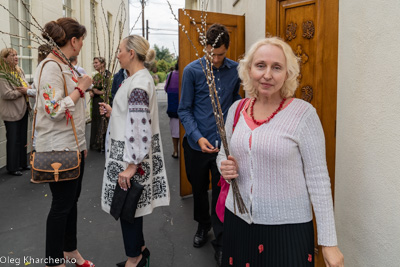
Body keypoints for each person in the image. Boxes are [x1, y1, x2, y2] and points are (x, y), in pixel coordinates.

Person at [217, 37, 344, 267]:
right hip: (238, 222)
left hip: (287, 229)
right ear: (249, 70)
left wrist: (328, 242)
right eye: (260, 65)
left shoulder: (303, 114)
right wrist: (224, 166)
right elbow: (223, 154)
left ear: (287, 74)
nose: (267, 74)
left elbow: (318, 180)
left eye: (276, 67)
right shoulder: (237, 109)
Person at [99, 35, 170, 267]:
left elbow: (139, 127)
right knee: (133, 207)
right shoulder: (137, 79)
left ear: (131, 53)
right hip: (131, 155)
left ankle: (135, 259)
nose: (117, 54)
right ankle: (140, 251)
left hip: (130, 158)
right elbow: (133, 116)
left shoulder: (138, 82)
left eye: (120, 50)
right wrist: (114, 112)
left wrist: (131, 165)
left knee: (127, 208)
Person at [177, 23, 241, 266]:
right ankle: (203, 225)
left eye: (220, 55)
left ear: (228, 50)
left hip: (224, 147)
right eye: (211, 54)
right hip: (196, 145)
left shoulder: (235, 70)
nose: (215, 59)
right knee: (199, 190)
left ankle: (222, 242)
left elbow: (235, 100)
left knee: (221, 194)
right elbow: (184, 109)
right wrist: (196, 136)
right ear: (204, 49)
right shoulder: (193, 71)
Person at [33, 18, 93, 267]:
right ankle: (53, 260)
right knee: (61, 205)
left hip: (73, 146)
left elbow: (74, 114)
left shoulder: (66, 65)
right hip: (58, 148)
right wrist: (80, 89)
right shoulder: (51, 66)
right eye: (81, 41)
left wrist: (82, 144)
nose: (81, 46)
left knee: (71, 202)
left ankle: (70, 250)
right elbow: (53, 109)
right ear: (74, 41)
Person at [0, 48, 31, 176]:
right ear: (4, 58)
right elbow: (6, 94)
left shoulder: (19, 71)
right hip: (11, 112)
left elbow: (26, 85)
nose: (16, 57)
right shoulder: (2, 75)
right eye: (12, 55)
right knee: (13, 139)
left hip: (23, 109)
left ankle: (23, 163)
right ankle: (13, 167)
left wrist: (27, 89)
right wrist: (22, 91)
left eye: (16, 55)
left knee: (23, 138)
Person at [89, 56, 111, 151]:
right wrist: (91, 91)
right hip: (96, 101)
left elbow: (108, 90)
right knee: (96, 121)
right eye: (94, 63)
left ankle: (102, 143)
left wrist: (98, 92)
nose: (94, 65)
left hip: (103, 100)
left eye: (96, 63)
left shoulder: (107, 75)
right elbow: (91, 87)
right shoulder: (96, 75)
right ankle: (95, 143)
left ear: (102, 64)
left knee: (102, 122)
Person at [164, 61, 179, 158]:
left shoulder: (170, 75)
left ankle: (175, 151)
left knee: (174, 131)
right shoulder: (186, 74)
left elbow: (165, 88)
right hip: (187, 108)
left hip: (173, 107)